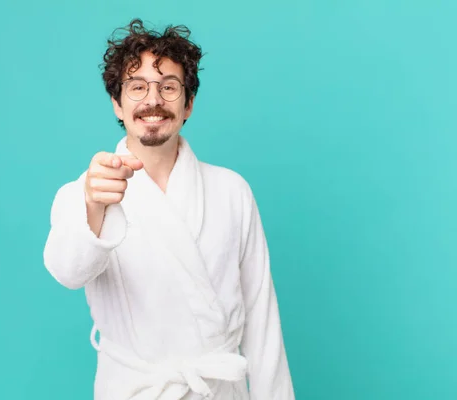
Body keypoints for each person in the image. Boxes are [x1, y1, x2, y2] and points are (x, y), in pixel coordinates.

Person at [43, 18, 295, 400]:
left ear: (189, 104)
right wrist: (94, 206)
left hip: (218, 389)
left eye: (169, 88)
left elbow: (262, 322)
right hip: (135, 390)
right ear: (117, 102)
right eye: (137, 87)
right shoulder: (83, 191)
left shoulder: (231, 190)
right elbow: (68, 272)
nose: (153, 100)